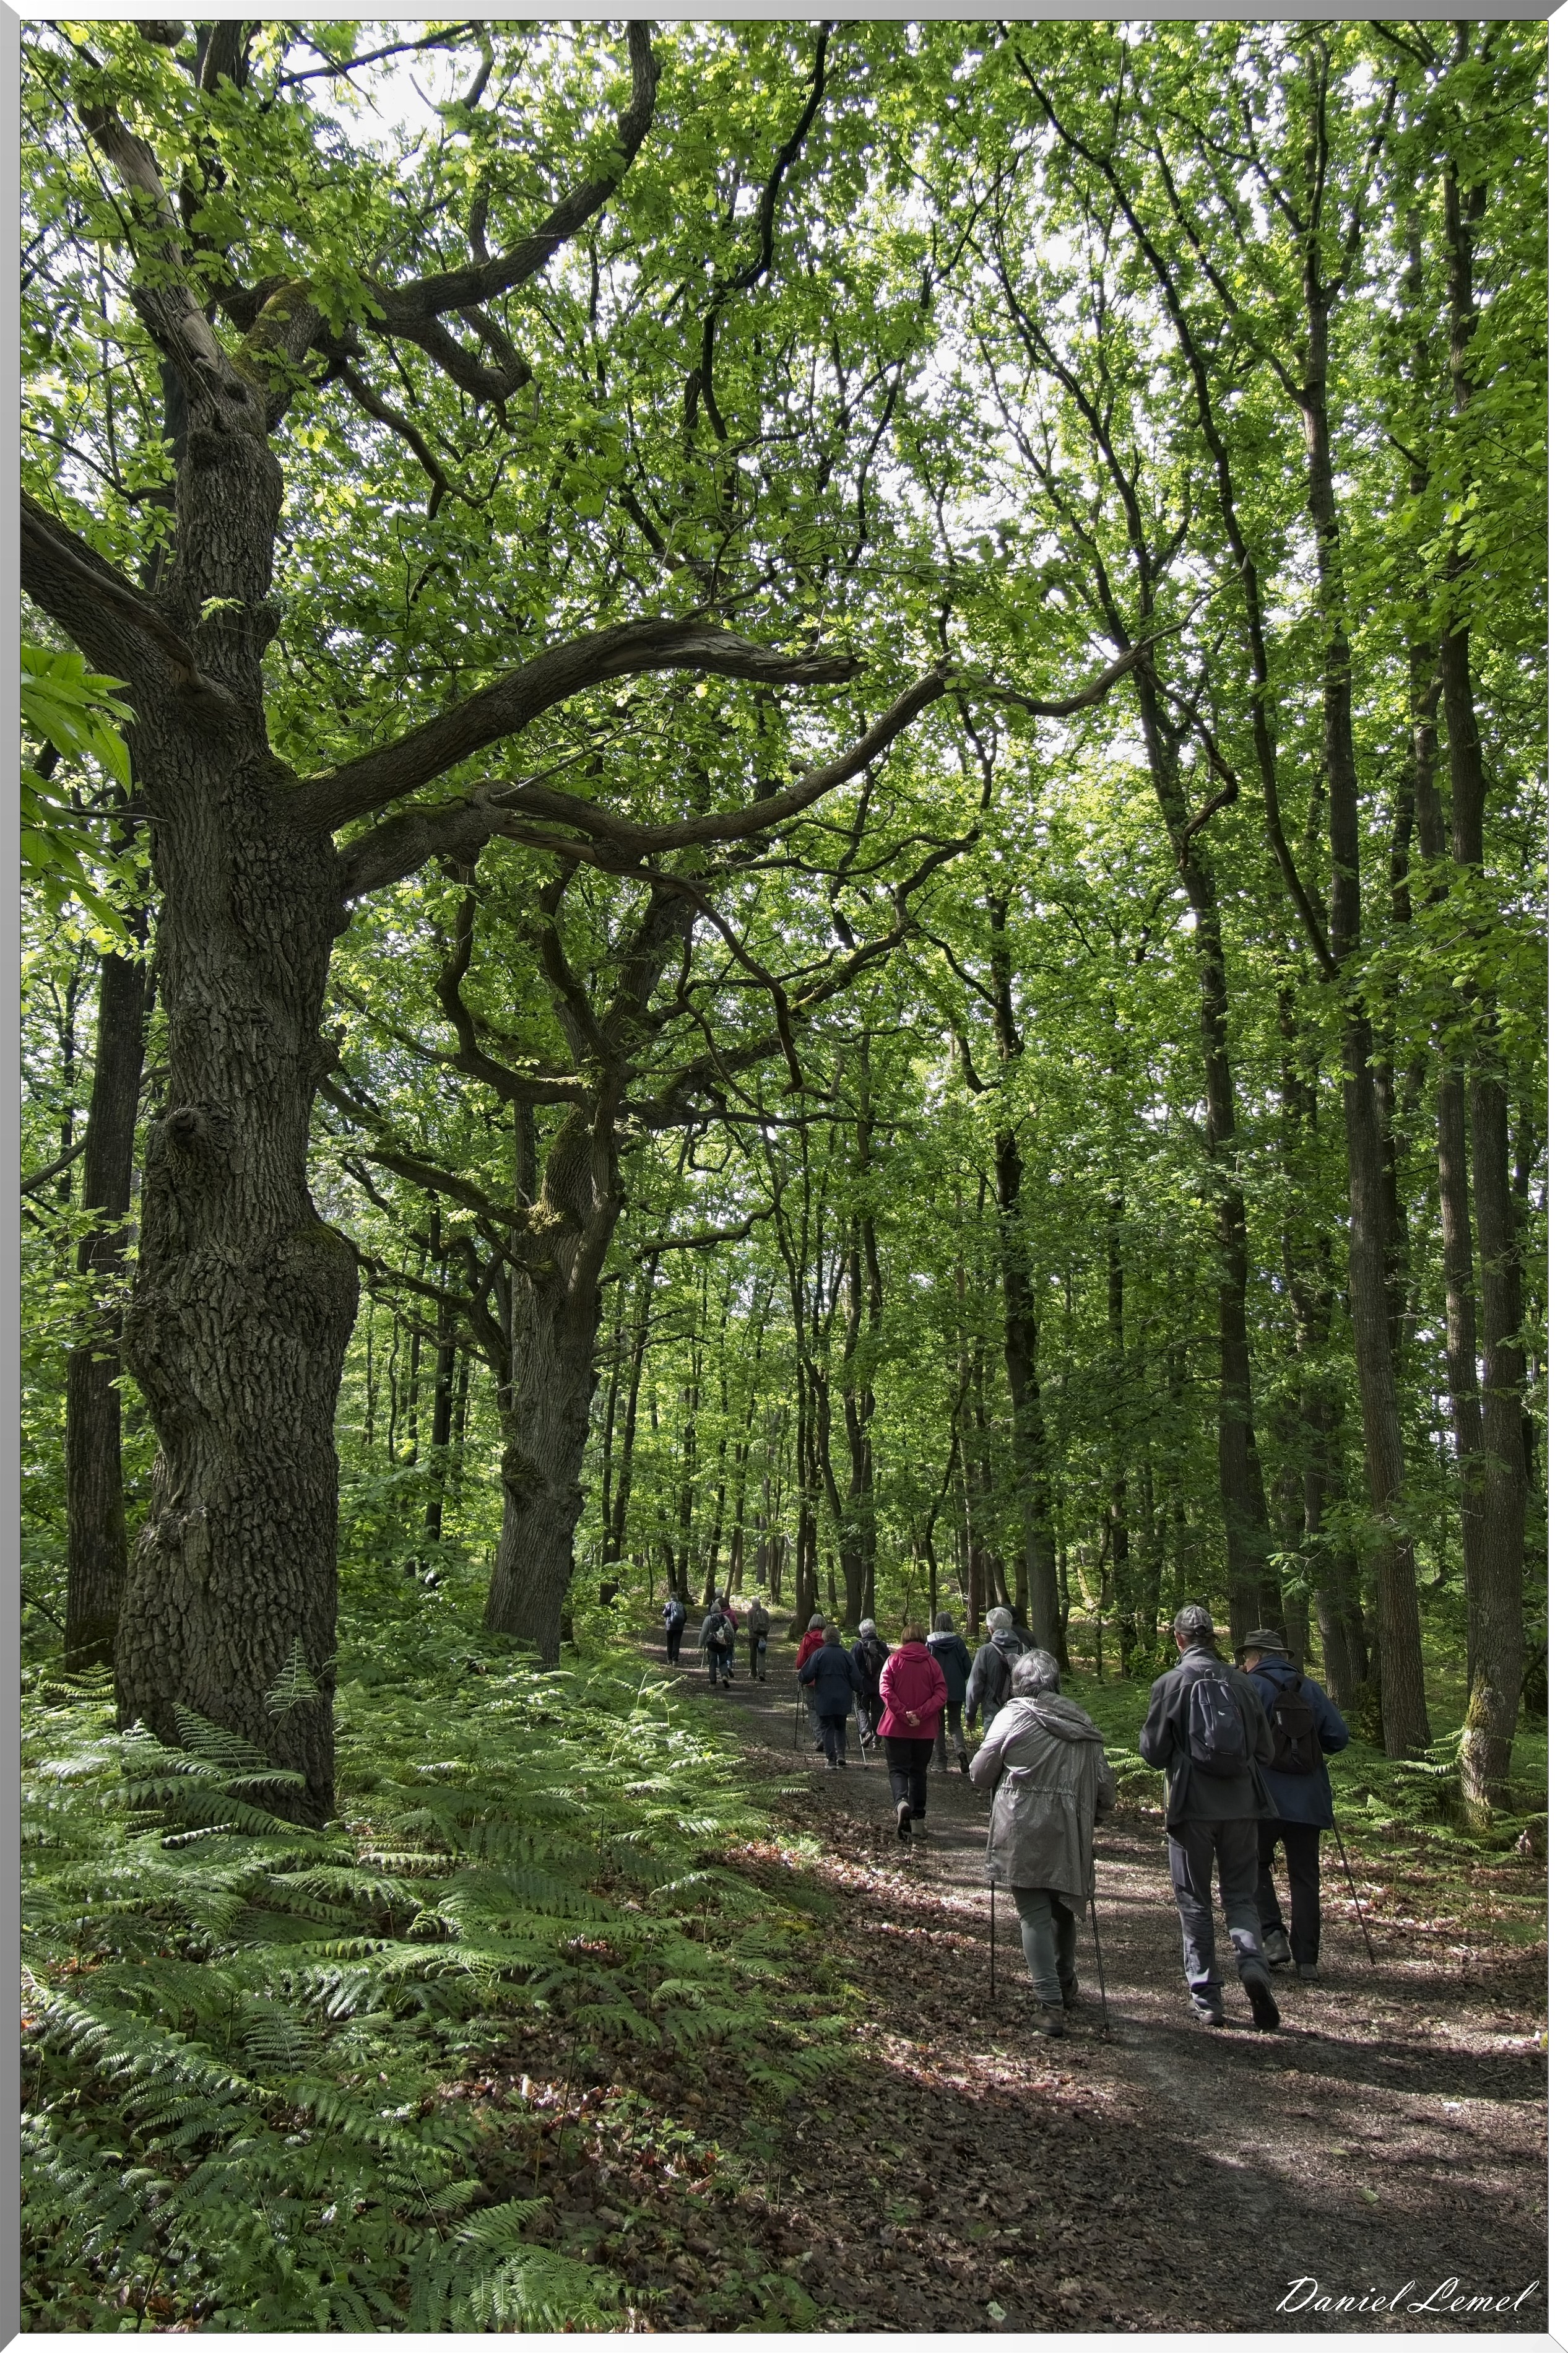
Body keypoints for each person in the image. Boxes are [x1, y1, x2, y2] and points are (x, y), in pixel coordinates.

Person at [1138, 1602, 1280, 2030]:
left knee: (1194, 1901)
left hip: (1190, 1808)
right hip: (1242, 1806)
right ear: (1212, 1638)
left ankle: (1207, 1998)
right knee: (1240, 1895)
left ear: (1178, 1639)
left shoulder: (1170, 1683)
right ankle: (1252, 1962)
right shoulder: (1242, 1683)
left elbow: (1152, 1753)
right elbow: (1265, 1752)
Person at [970, 1650, 1116, 2035]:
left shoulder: (1011, 1716)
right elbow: (1104, 1787)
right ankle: (1065, 1985)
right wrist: (1092, 1820)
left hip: (1021, 1828)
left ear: (1018, 1683)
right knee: (1064, 1904)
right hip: (1070, 1828)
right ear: (1055, 1683)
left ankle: (1050, 2006)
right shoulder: (1081, 1720)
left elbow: (981, 1774)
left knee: (1034, 1913)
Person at [1241, 1627, 1351, 1984]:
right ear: (1282, 1656)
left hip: (1263, 1797)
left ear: (1255, 1656)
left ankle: (1273, 1936)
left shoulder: (1250, 1687)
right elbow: (1338, 1738)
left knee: (1252, 1863)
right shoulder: (1311, 1688)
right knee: (1305, 1878)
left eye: (1246, 1657)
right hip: (1309, 1800)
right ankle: (1308, 1959)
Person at [877, 1624, 950, 1840]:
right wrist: (921, 1713)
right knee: (919, 1773)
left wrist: (903, 1714)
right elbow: (942, 1692)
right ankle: (918, 1823)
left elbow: (884, 1689)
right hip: (924, 1729)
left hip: (895, 1727)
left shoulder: (893, 1661)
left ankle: (901, 1803)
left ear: (904, 1639)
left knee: (898, 1770)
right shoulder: (932, 1663)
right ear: (922, 1639)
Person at [798, 1625, 867, 1770]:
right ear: (838, 1638)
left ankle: (831, 1760)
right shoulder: (846, 1655)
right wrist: (858, 1689)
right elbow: (856, 1678)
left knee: (827, 1728)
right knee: (840, 1727)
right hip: (843, 1698)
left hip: (824, 1698)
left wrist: (802, 1679)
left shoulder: (819, 1654)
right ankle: (841, 1755)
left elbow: (806, 1674)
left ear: (825, 1638)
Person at [965, 1606, 1024, 1739]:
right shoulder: (1024, 1649)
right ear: (1010, 1626)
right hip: (1020, 1714)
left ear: (991, 1629)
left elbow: (975, 1685)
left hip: (993, 1715)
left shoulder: (986, 1651)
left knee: (992, 1755)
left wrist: (970, 1715)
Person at [926, 1612, 972, 1773]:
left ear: (937, 1623)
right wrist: (962, 1679)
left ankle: (940, 1762)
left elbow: (926, 1666)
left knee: (938, 1725)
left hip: (936, 1689)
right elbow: (968, 1667)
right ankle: (961, 1752)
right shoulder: (958, 1642)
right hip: (956, 1687)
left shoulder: (930, 1642)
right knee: (955, 1724)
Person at [850, 1619, 890, 1750]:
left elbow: (852, 1666)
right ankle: (877, 1742)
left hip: (863, 1686)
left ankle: (867, 1732)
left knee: (862, 1708)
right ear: (874, 1631)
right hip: (880, 1685)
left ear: (862, 1632)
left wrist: (854, 1683)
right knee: (878, 1712)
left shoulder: (858, 1646)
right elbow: (889, 1666)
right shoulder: (882, 1646)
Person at [795, 1612, 827, 1749]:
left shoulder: (807, 1639)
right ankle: (828, 1738)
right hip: (827, 1680)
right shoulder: (829, 1639)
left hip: (811, 1680)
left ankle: (819, 1738)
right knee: (825, 1709)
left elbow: (800, 1662)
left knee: (813, 1709)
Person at [696, 1601, 735, 1689]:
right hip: (723, 1643)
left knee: (712, 1662)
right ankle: (724, 1675)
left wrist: (700, 1644)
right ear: (720, 1609)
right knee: (723, 1661)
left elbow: (704, 1632)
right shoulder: (725, 1618)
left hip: (712, 1643)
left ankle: (713, 1683)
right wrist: (731, 1641)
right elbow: (731, 1631)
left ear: (711, 1609)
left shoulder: (708, 1619)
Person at [746, 1595, 772, 1681]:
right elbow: (768, 1624)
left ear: (752, 1604)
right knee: (762, 1655)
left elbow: (749, 1626)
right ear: (759, 1603)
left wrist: (755, 1635)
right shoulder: (765, 1612)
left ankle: (753, 1673)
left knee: (753, 1655)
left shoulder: (750, 1612)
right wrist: (764, 1635)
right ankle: (762, 1673)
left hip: (753, 1637)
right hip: (763, 1637)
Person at [662, 1594, 687, 1666]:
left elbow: (664, 1614)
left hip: (670, 1627)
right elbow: (685, 1617)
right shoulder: (681, 1605)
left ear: (671, 1598)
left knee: (670, 1643)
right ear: (677, 1598)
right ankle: (675, 1660)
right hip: (679, 1627)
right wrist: (682, 1624)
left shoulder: (668, 1604)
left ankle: (669, 1659)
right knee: (677, 1643)